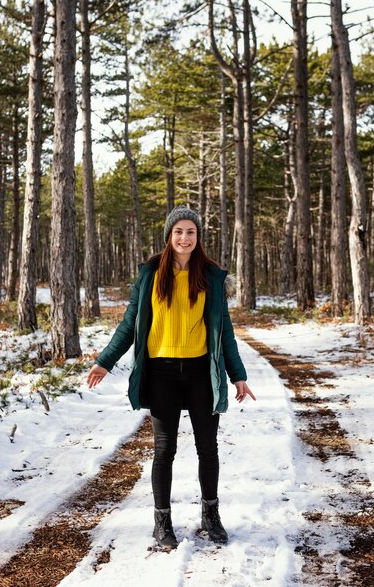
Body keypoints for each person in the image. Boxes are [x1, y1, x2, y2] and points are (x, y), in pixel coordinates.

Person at [87, 205, 256, 550]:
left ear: (198, 237)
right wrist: (105, 361)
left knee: (207, 449)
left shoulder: (211, 277)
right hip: (161, 373)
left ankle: (211, 516)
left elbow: (225, 333)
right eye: (178, 232)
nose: (184, 238)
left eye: (190, 232)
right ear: (169, 236)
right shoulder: (150, 275)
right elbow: (129, 324)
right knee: (164, 451)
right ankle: (161, 522)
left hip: (200, 374)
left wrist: (238, 376)